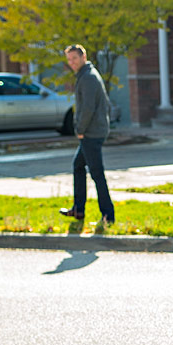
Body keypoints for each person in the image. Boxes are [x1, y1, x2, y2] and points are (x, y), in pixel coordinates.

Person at [59, 45, 114, 225]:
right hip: (92, 131)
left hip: (92, 132)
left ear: (83, 57)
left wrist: (80, 130)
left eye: (74, 58)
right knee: (78, 166)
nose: (71, 63)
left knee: (97, 174)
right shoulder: (85, 75)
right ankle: (78, 210)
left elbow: (88, 108)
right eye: (69, 59)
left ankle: (108, 215)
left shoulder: (88, 77)